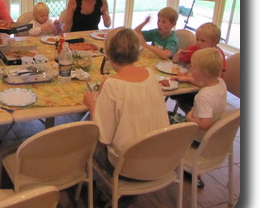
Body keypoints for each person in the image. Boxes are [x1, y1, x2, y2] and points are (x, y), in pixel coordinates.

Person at [83, 28, 169, 174]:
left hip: (127, 167)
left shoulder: (111, 84)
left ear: (108, 53)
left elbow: (103, 135)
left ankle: (80, 182)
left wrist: (91, 103)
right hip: (163, 159)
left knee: (82, 138)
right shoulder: (150, 74)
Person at [172, 48, 227, 188]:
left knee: (166, 119)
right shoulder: (219, 82)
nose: (191, 70)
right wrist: (187, 79)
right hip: (213, 138)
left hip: (196, 138)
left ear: (205, 73)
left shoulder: (204, 97)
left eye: (194, 68)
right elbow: (204, 82)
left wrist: (190, 117)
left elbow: (204, 123)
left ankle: (163, 163)